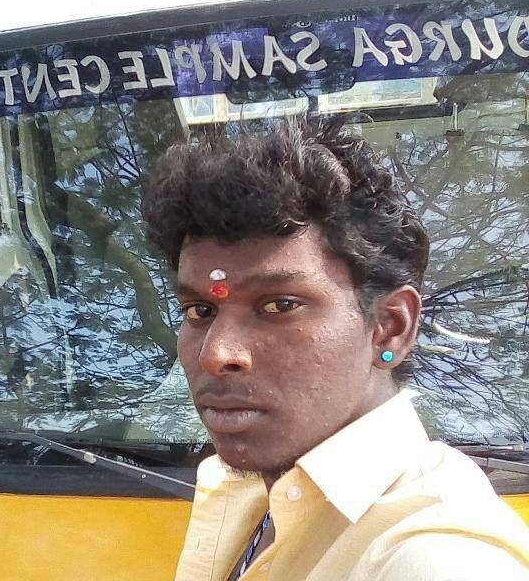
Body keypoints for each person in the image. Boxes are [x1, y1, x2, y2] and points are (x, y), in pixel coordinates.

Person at [141, 117, 529, 581]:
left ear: (389, 328)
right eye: (200, 310)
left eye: (279, 305)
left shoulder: (438, 558)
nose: (216, 353)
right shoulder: (254, 494)